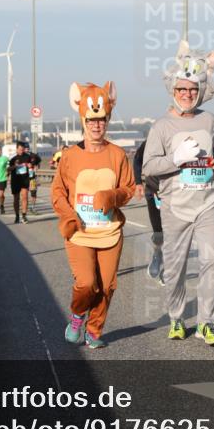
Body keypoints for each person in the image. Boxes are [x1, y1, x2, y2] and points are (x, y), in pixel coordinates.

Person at [143, 40, 214, 346]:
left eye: (193, 89)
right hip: (176, 207)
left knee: (211, 262)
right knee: (176, 269)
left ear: (200, 91)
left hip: (207, 204)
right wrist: (176, 159)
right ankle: (177, 317)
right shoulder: (161, 126)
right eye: (182, 90)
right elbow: (149, 167)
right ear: (173, 91)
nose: (188, 94)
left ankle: (207, 323)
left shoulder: (209, 120)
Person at [52, 82, 135, 349]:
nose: (97, 125)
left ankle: (94, 329)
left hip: (110, 232)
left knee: (107, 286)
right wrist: (67, 217)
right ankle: (77, 316)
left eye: (102, 120)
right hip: (79, 232)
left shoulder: (118, 155)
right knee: (88, 283)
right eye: (92, 120)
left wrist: (112, 197)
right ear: (83, 120)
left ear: (108, 119)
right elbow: (58, 192)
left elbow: (129, 188)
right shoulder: (69, 156)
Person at [133, 140, 165, 284]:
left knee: (176, 234)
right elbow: (137, 159)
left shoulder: (182, 138)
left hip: (176, 194)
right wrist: (138, 181)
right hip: (154, 193)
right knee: (159, 232)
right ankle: (158, 253)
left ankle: (169, 271)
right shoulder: (152, 139)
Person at [8, 141, 36, 224]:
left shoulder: (27, 157)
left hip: (25, 180)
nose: (21, 151)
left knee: (24, 197)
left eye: (23, 150)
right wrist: (15, 166)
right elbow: (8, 169)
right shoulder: (12, 158)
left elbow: (32, 165)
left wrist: (30, 165)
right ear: (16, 149)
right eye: (20, 149)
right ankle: (17, 216)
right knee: (16, 199)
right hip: (15, 180)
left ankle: (24, 216)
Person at [25, 143, 42, 214]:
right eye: (25, 148)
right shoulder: (20, 156)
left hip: (32, 178)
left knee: (33, 193)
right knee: (24, 194)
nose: (27, 149)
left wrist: (36, 167)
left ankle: (32, 207)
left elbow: (38, 163)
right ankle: (24, 206)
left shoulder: (34, 156)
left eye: (27, 148)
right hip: (23, 178)